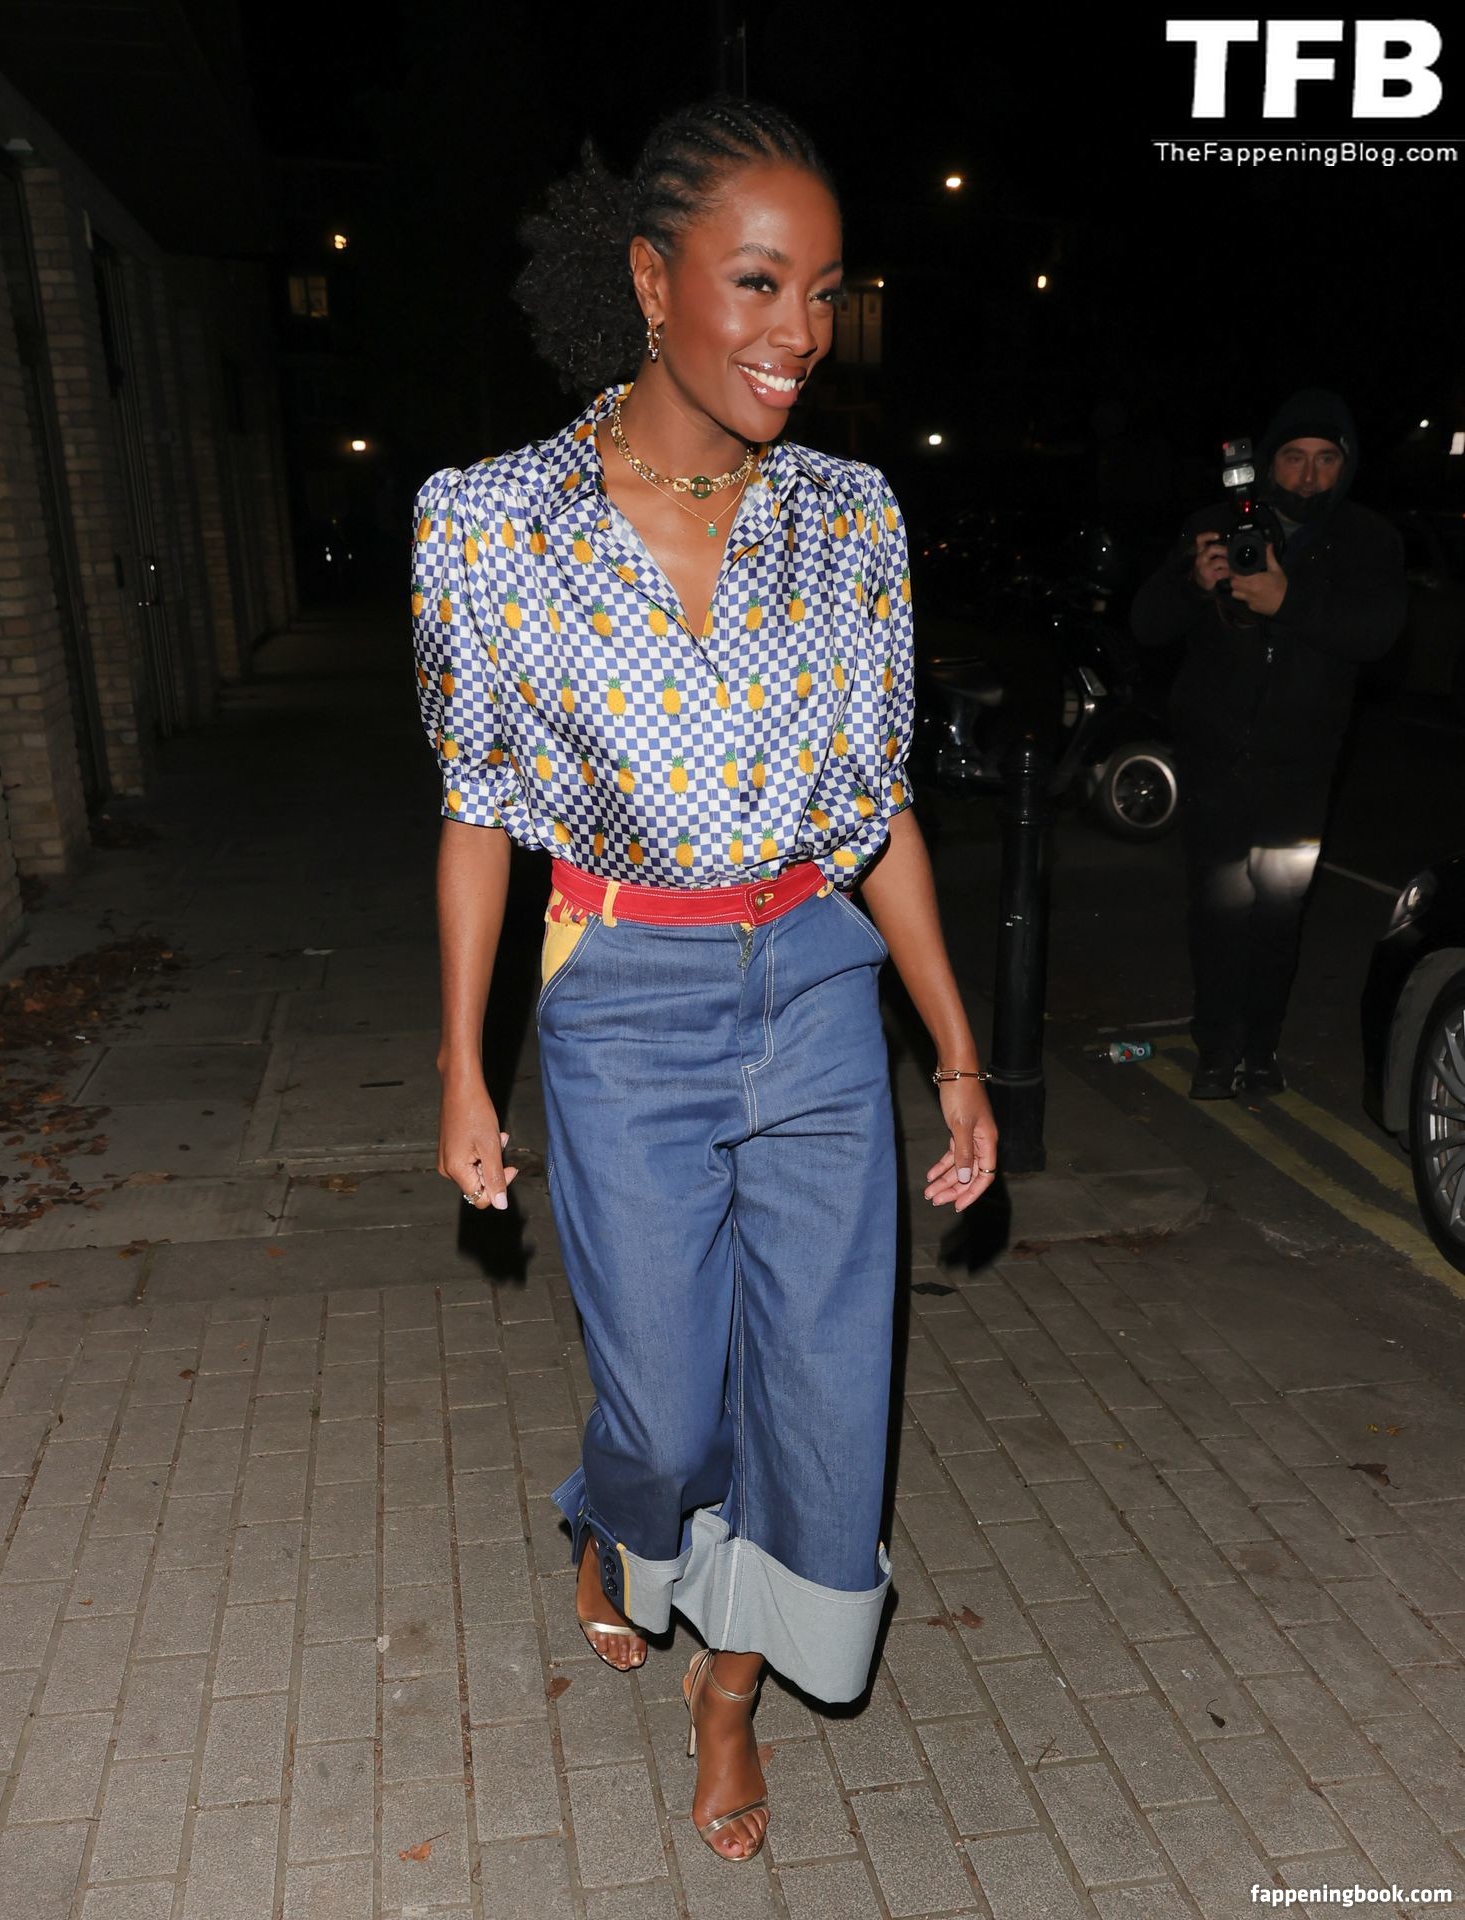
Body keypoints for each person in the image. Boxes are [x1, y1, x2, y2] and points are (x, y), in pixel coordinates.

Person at [411, 97, 996, 1864]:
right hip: (620, 995)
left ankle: (727, 1693)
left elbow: (875, 810)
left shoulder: (850, 518)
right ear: (650, 280)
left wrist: (953, 1055)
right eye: (756, 282)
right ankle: (614, 1519)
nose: (798, 330)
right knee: (663, 1412)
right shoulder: (489, 523)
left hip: (811, 985)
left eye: (823, 289)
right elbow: (477, 810)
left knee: (822, 1389)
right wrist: (461, 1067)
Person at [1131, 389, 1405, 1099]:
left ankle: (1260, 1050)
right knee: (1218, 912)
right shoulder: (1213, 525)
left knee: (1279, 915)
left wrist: (1288, 604)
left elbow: (1377, 634)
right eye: (1293, 457)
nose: (1308, 476)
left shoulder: (1368, 538)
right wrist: (1193, 584)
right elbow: (1145, 625)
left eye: (1325, 459)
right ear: (1268, 460)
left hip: (1302, 770)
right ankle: (1215, 1049)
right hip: (1216, 760)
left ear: (1346, 464)